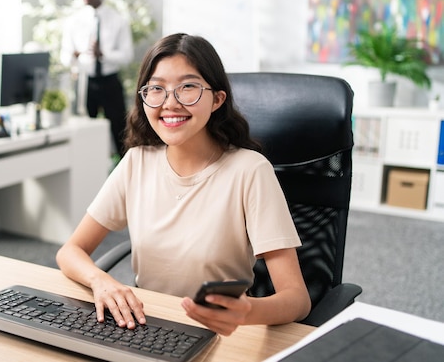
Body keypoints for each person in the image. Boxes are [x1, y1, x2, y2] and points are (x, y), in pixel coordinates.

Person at [56, 33, 311, 336]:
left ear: (217, 99)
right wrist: (102, 280)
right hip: (144, 326)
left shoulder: (250, 171)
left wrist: (248, 312)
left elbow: (297, 299)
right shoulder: (137, 162)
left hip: (220, 333)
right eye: (157, 89)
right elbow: (70, 251)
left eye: (187, 87)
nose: (170, 103)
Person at [60, 0, 133, 157]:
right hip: (85, 84)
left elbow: (127, 55)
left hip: (110, 82)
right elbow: (64, 56)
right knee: (84, 133)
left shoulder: (118, 20)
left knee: (120, 132)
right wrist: (73, 56)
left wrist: (104, 55)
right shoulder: (73, 21)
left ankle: (125, 174)